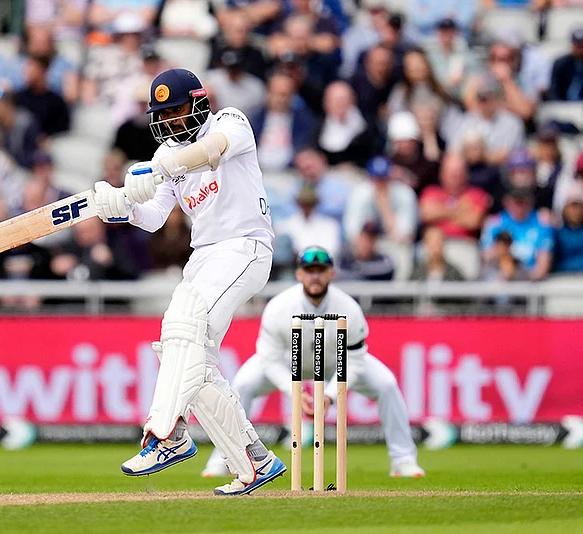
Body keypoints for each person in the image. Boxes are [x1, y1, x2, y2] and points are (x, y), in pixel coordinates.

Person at [91, 68, 283, 496]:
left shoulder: (231, 122)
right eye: (165, 114)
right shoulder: (165, 158)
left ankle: (167, 434)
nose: (174, 121)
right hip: (203, 258)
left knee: (185, 332)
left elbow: (211, 151)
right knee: (186, 354)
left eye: (178, 109)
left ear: (198, 101)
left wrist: (162, 167)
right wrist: (118, 206)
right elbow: (154, 216)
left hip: (245, 247)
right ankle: (253, 459)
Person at [201, 246, 425, 479]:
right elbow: (269, 359)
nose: (315, 276)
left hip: (335, 362)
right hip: (288, 362)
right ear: (299, 275)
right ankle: (223, 460)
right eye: (309, 270)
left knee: (387, 384)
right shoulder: (279, 308)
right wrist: (295, 391)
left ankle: (403, 460)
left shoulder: (349, 308)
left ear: (332, 274)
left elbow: (354, 360)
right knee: (243, 384)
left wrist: (329, 395)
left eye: (321, 270)